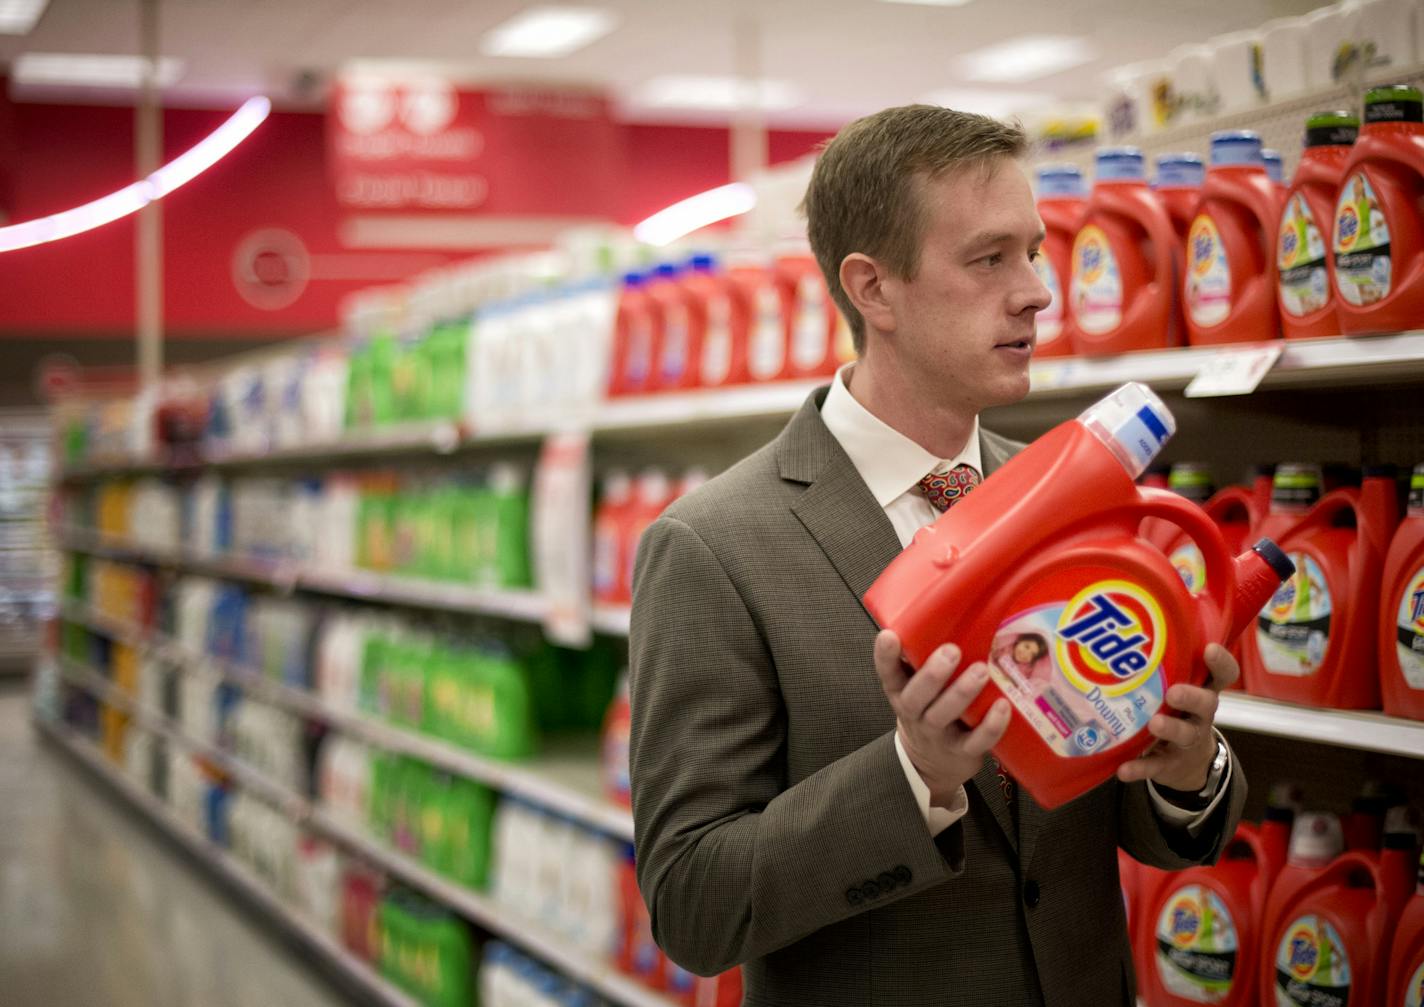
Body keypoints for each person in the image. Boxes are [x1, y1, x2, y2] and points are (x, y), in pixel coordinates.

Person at [628, 105, 1246, 1007]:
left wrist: (1187, 770)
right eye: (990, 258)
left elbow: (1119, 822)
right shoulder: (713, 547)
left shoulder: (1070, 501)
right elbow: (694, 903)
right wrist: (912, 774)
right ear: (873, 290)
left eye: (1033, 251)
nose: (1036, 289)